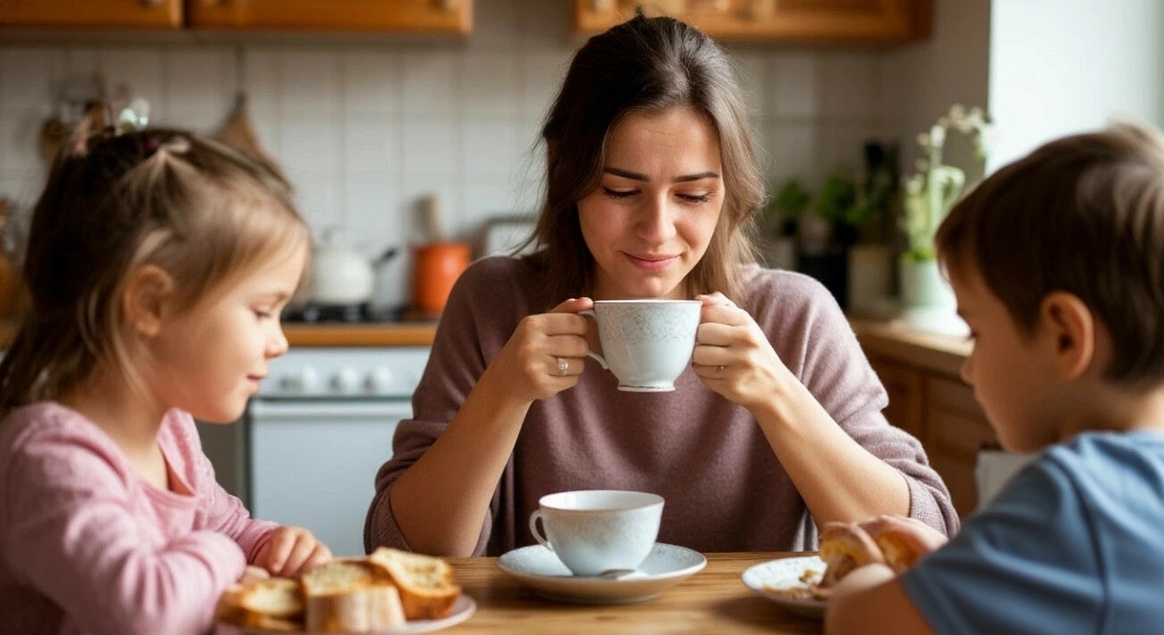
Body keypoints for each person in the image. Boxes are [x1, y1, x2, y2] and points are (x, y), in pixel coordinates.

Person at [366, 14, 957, 558]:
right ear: (564, 174)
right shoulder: (495, 303)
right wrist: (502, 395)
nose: (657, 230)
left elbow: (926, 536)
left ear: (730, 190)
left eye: (694, 195)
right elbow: (402, 548)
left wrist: (779, 397)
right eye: (621, 191)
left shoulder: (793, 315)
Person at [825, 122, 1164, 635]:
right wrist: (954, 570)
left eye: (975, 332)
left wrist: (865, 572)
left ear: (1065, 337)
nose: (969, 368)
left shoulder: (1075, 501)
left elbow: (861, 634)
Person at [0, 127, 332, 635]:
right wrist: (227, 559)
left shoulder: (169, 430)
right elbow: (144, 620)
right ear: (151, 303)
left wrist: (269, 545)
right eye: (260, 311)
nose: (280, 342)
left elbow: (223, 523)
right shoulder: (51, 459)